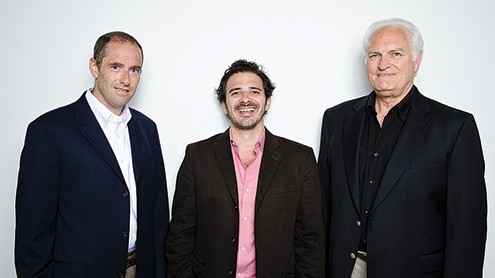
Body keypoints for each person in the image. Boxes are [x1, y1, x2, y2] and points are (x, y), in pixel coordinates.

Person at [318, 18, 487, 278]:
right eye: (375, 55)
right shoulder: (336, 120)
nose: (383, 64)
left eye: (395, 54)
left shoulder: (455, 127)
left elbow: (467, 227)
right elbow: (323, 207)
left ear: (417, 60)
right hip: (346, 268)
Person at [15, 31, 169, 278]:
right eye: (116, 67)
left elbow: (158, 214)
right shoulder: (49, 131)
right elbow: (33, 230)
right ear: (94, 67)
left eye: (134, 70)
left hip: (140, 270)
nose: (126, 79)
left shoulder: (146, 129)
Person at [166, 59, 325, 277]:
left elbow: (311, 239)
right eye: (235, 92)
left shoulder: (300, 159)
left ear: (267, 101)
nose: (245, 99)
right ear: (224, 104)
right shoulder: (197, 156)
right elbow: (180, 235)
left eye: (254, 91)